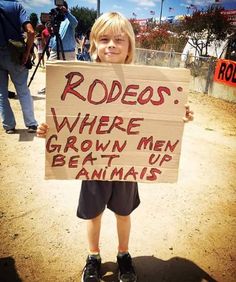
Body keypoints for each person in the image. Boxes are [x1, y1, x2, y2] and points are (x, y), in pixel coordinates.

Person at [37, 12, 194, 282]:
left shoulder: (144, 81)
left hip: (127, 165)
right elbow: (66, 115)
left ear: (130, 46)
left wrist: (177, 115)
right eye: (105, 39)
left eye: (119, 40)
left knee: (123, 213)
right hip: (93, 163)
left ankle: (123, 255)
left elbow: (155, 118)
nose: (111, 45)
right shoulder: (80, 77)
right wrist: (49, 128)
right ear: (94, 44)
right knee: (93, 214)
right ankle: (93, 256)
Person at [0, 0, 38, 134]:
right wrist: (27, 53)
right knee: (23, 90)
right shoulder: (16, 6)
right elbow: (31, 32)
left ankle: (9, 126)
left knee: (1, 94)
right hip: (15, 55)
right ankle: (31, 123)